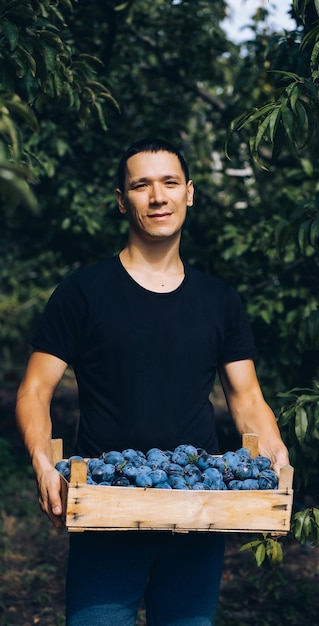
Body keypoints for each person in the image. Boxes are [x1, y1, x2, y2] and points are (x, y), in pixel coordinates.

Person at [15, 138, 289, 626]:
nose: (157, 197)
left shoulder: (219, 300)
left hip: (199, 512)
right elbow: (35, 391)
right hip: (106, 508)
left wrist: (274, 455)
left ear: (189, 193)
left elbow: (247, 399)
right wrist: (42, 461)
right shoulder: (82, 293)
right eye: (141, 185)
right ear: (123, 200)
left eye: (168, 183)